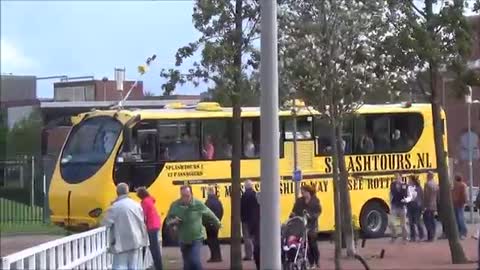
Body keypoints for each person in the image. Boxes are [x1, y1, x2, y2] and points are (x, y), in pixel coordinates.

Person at [165, 185, 221, 270]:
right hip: (183, 238)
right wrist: (173, 222)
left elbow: (209, 214)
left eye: (187, 196)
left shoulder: (198, 204)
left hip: (196, 238)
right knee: (187, 264)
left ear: (191, 194)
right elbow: (168, 220)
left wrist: (217, 223)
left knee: (194, 260)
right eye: (183, 196)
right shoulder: (175, 205)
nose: (185, 199)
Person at [102, 183, 149, 270]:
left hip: (121, 242)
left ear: (117, 192)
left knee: (120, 265)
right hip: (136, 240)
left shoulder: (115, 207)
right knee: (134, 266)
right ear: (127, 192)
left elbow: (105, 223)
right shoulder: (137, 205)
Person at [291, 185, 321, 268]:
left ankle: (316, 260)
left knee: (312, 243)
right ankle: (311, 262)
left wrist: (311, 216)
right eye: (301, 192)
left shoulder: (315, 201)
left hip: (312, 226)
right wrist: (292, 216)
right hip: (302, 225)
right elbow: (294, 211)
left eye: (303, 192)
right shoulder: (299, 201)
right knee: (304, 245)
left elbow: (318, 211)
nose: (302, 194)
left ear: (308, 192)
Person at [136, 187, 163, 270]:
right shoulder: (150, 200)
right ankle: (158, 265)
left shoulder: (144, 202)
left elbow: (143, 215)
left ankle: (158, 266)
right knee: (154, 246)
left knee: (154, 247)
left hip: (151, 225)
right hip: (156, 224)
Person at [204, 186, 224, 262]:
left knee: (211, 241)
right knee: (215, 240)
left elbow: (205, 214)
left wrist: (205, 223)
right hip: (216, 224)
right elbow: (222, 211)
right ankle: (218, 256)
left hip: (209, 225)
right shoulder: (218, 201)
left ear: (208, 193)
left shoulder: (208, 202)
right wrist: (218, 220)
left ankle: (214, 257)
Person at [388, 173, 408, 243]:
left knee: (403, 224)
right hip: (394, 206)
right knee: (391, 222)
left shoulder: (404, 185)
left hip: (402, 206)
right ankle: (394, 235)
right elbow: (391, 193)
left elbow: (406, 194)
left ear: (400, 177)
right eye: (395, 177)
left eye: (397, 176)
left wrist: (401, 187)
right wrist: (390, 202)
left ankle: (405, 237)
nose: (396, 178)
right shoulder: (392, 184)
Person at [240, 179, 257, 261]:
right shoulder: (255, 194)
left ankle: (249, 255)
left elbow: (241, 208)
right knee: (254, 237)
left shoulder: (244, 196)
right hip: (255, 220)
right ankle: (256, 253)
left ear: (245, 187)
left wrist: (241, 217)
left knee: (247, 238)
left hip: (246, 219)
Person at [404, 175, 424, 242]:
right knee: (411, 222)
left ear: (412, 181)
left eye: (409, 180)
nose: (408, 181)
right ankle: (413, 237)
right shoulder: (407, 188)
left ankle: (421, 235)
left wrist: (421, 206)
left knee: (417, 221)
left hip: (416, 206)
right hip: (410, 206)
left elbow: (421, 197)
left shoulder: (418, 188)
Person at [423, 171, 439, 241]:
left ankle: (430, 236)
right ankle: (433, 235)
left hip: (428, 205)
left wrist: (425, 205)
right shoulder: (435, 184)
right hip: (434, 205)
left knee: (427, 221)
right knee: (432, 220)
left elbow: (426, 196)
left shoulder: (427, 184)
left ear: (428, 176)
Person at [452, 174, 468, 239]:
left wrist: (463, 202)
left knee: (460, 218)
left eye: (454, 179)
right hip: (456, 203)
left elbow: (463, 195)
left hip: (459, 204)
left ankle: (463, 232)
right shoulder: (458, 185)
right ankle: (460, 232)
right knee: (458, 218)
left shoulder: (461, 185)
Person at [249, 191, 261, 270]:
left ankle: (259, 267)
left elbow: (253, 221)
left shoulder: (254, 208)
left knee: (257, 252)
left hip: (257, 234)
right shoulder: (270, 207)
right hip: (262, 234)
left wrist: (251, 233)